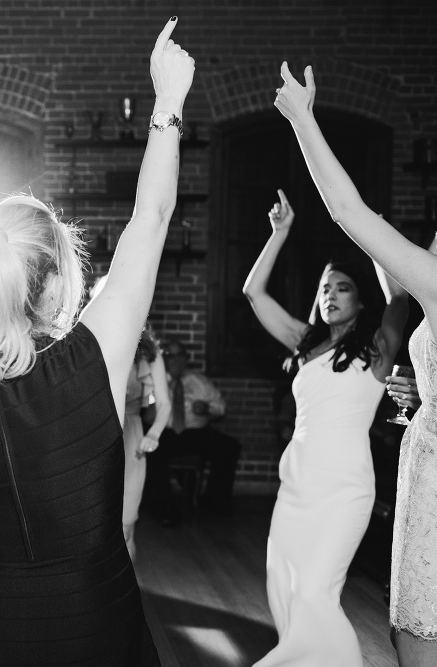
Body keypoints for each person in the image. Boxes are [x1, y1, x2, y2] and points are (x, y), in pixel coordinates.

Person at [0, 17, 192, 665]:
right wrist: (168, 103)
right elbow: (149, 220)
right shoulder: (88, 362)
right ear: (55, 283)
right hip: (97, 623)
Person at [273, 62, 435, 667]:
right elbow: (392, 279)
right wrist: (422, 393)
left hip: (415, 480)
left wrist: (304, 120)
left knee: (416, 641)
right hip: (418, 467)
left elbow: (349, 212)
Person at [242, 188, 408, 667]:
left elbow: (398, 296)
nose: (330, 295)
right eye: (324, 288)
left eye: (342, 288)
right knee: (288, 598)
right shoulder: (303, 343)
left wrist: (371, 236)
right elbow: (254, 292)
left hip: (343, 492)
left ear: (359, 301)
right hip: (294, 491)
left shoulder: (377, 349)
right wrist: (279, 234)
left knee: (316, 595)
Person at [91, 279, 171, 560]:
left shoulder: (148, 350)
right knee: (92, 533)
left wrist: (154, 434)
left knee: (124, 529)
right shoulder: (85, 345)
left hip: (131, 439)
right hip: (92, 440)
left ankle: (122, 600)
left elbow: (164, 403)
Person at [143, 338, 242, 525]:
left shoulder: (199, 380)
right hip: (166, 433)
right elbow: (145, 417)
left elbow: (221, 408)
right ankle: (163, 508)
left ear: (186, 358)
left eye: (180, 355)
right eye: (170, 356)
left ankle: (214, 501)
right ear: (163, 359)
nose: (176, 360)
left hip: (197, 432)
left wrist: (207, 410)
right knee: (153, 451)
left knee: (229, 447)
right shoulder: (154, 381)